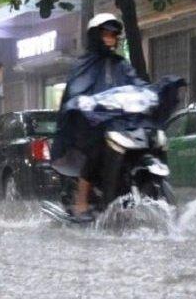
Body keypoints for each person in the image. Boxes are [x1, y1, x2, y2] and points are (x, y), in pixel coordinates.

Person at [51, 13, 146, 221]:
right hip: (92, 125)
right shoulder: (84, 65)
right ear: (96, 36)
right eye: (106, 34)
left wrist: (148, 93)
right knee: (97, 148)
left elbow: (136, 84)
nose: (110, 39)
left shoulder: (121, 64)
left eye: (113, 35)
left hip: (121, 123)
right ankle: (81, 201)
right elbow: (75, 90)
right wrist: (84, 103)